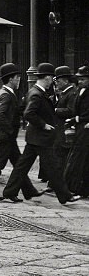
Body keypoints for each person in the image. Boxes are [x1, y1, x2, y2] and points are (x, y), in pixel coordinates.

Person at [3, 63, 80, 204]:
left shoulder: (33, 91)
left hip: (35, 137)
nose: (53, 81)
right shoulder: (37, 94)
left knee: (22, 166)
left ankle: (10, 191)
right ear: (47, 77)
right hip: (41, 137)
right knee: (53, 168)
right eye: (52, 77)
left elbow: (22, 109)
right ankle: (65, 196)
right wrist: (43, 125)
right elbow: (28, 113)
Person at [0, 63, 39, 200]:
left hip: (8, 136)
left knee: (19, 164)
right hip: (6, 136)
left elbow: (10, 112)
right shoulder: (6, 95)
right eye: (17, 77)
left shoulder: (5, 93)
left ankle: (28, 190)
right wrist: (10, 129)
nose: (18, 80)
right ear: (10, 79)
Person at [48, 66, 78, 194]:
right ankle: (56, 184)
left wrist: (55, 110)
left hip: (66, 131)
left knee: (61, 157)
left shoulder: (71, 93)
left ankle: (59, 184)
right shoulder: (65, 93)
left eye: (58, 81)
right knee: (58, 157)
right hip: (60, 131)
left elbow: (71, 111)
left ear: (65, 81)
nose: (56, 83)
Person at [64, 66, 89, 196]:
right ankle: (80, 188)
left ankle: (71, 187)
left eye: (83, 79)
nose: (80, 81)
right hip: (81, 128)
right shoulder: (80, 91)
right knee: (82, 159)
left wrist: (75, 119)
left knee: (78, 158)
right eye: (79, 79)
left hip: (86, 129)